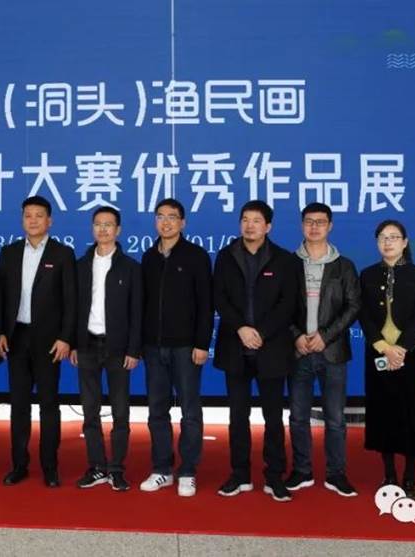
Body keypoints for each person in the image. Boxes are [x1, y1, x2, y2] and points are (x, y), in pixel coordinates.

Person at [212, 201, 304, 502]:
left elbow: (288, 304)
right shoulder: (226, 256)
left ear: (268, 226)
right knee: (237, 416)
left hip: (271, 348)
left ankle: (274, 475)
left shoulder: (284, 260)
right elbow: (219, 297)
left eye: (256, 220)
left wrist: (261, 333)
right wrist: (241, 327)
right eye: (245, 220)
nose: (249, 225)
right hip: (235, 346)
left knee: (273, 418)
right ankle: (239, 474)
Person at [0, 196, 77, 488]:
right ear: (22, 220)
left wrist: (66, 338)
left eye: (39, 215)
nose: (33, 220)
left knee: (48, 405)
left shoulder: (63, 254)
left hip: (49, 341)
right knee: (18, 405)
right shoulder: (9, 253)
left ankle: (50, 467)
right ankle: (19, 464)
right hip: (16, 337)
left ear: (49, 221)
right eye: (28, 215)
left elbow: (71, 301)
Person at [285, 202, 361, 497]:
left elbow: (353, 306)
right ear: (301, 225)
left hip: (333, 352)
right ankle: (302, 470)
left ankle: (336, 474)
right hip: (299, 351)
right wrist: (296, 336)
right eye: (309, 221)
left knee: (335, 418)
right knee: (297, 416)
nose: (314, 227)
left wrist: (325, 336)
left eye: (320, 222)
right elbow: (279, 305)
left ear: (330, 226)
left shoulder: (344, 266)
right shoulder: (289, 263)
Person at [139, 198, 212, 497]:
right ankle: (162, 469)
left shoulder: (196, 256)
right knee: (157, 411)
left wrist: (202, 343)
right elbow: (142, 304)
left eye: (172, 217)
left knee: (190, 411)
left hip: (186, 347)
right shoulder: (148, 257)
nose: (166, 222)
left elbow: (206, 304)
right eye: (160, 216)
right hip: (153, 347)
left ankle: (188, 471)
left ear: (183, 222)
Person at [359, 220, 415, 498]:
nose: (388, 242)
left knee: (412, 414)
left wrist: (401, 348)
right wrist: (383, 347)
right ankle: (389, 473)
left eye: (393, 237)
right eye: (383, 237)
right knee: (384, 414)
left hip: (411, 354)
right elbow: (363, 314)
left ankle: (410, 476)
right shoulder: (367, 275)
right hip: (379, 352)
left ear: (404, 242)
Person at [70, 207, 143, 492]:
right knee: (90, 411)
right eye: (98, 224)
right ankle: (97, 466)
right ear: (92, 229)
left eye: (108, 224)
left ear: (118, 230)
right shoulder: (80, 266)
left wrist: (133, 350)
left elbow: (137, 312)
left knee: (120, 412)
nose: (103, 229)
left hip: (118, 349)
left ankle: (117, 469)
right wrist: (74, 343)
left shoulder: (130, 267)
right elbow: (73, 308)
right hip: (87, 345)